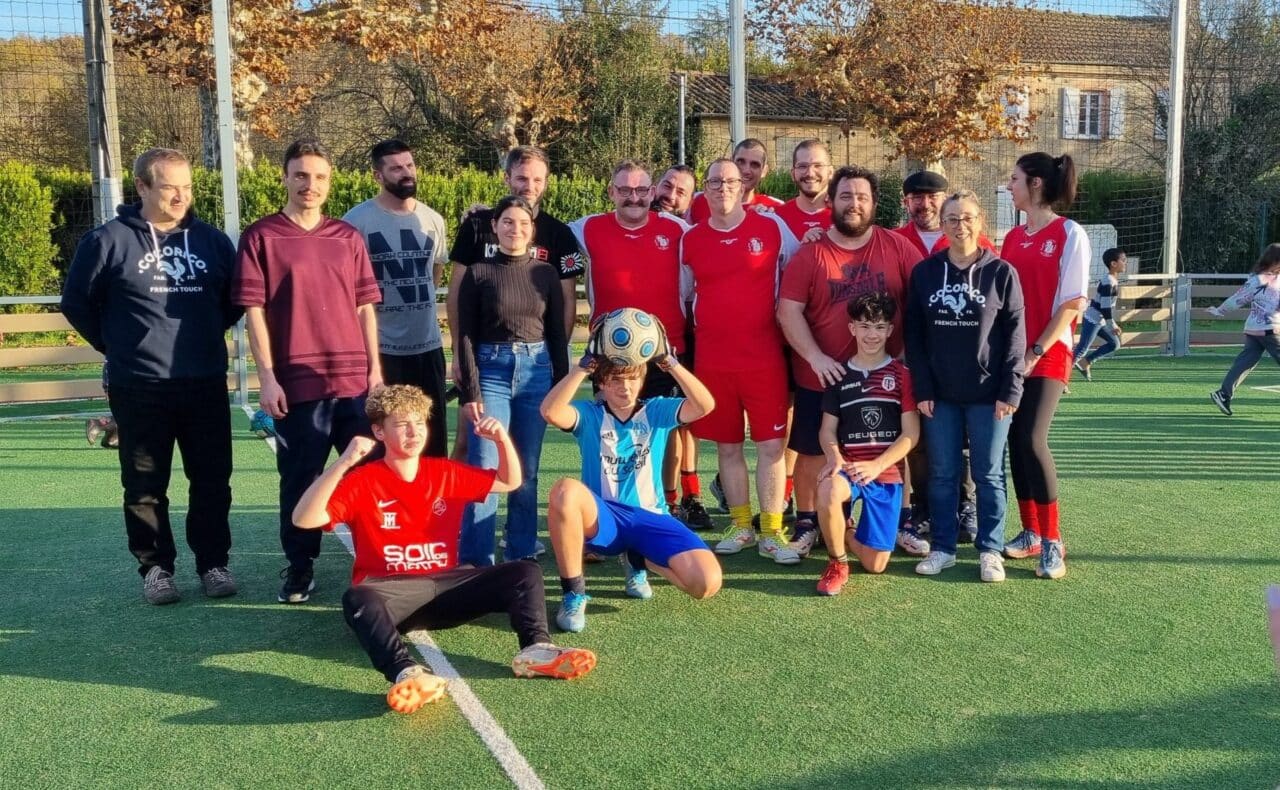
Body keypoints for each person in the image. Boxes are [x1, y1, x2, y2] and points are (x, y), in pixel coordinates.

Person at [291, 385, 595, 715]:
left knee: (525, 571)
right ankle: (407, 674)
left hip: (448, 587)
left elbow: (509, 482)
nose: (413, 431)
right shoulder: (363, 480)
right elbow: (304, 518)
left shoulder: (443, 472)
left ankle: (536, 649)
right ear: (378, 431)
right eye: (401, 424)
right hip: (394, 598)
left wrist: (500, 440)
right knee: (357, 598)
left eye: (419, 423)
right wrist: (345, 461)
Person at [63, 146, 242, 604]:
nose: (181, 196)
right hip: (138, 386)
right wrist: (118, 345)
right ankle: (156, 569)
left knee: (212, 479)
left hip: (203, 381)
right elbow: (77, 303)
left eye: (186, 187)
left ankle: (213, 564)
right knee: (145, 484)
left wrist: (200, 338)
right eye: (169, 187)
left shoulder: (212, 241)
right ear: (142, 186)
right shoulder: (107, 240)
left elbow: (232, 300)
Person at [234, 138, 383, 604]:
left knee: (368, 476)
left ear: (330, 181)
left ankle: (377, 564)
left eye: (319, 176)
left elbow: (364, 308)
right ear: (284, 177)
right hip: (296, 383)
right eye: (301, 175)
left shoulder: (347, 237)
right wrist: (268, 376)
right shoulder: (261, 237)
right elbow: (253, 311)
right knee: (301, 478)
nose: (310, 185)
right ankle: (300, 567)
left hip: (354, 383)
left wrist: (375, 371)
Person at [776, 165, 921, 560]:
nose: (853, 204)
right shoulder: (812, 254)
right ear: (831, 201)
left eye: (862, 197)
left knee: (893, 448)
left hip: (884, 377)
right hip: (823, 374)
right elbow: (788, 311)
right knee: (811, 451)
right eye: (845, 196)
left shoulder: (897, 247)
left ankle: (902, 521)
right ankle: (807, 525)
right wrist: (816, 356)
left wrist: (909, 357)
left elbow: (922, 301)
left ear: (874, 203)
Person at [540, 333, 721, 632]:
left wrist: (670, 363)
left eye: (631, 379)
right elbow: (550, 411)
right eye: (614, 380)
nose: (624, 387)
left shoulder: (656, 410)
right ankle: (574, 593)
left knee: (706, 583)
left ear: (642, 380)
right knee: (564, 490)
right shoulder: (589, 414)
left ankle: (641, 558)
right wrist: (582, 368)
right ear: (601, 384)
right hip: (604, 518)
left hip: (651, 515)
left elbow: (704, 405)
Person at [569, 160, 711, 530]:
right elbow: (539, 231)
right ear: (612, 192)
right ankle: (604, 513)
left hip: (664, 353)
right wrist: (485, 214)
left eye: (642, 190)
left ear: (652, 193)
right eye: (625, 190)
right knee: (608, 437)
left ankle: (665, 505)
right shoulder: (587, 229)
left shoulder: (678, 231)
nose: (634, 197)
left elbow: (715, 246)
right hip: (610, 359)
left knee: (664, 431)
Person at [681, 158, 800, 563]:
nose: (723, 188)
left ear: (743, 185)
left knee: (771, 446)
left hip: (764, 357)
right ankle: (741, 525)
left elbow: (799, 270)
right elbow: (685, 295)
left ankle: (772, 531)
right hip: (713, 360)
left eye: (730, 181)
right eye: (714, 182)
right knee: (728, 447)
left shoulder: (771, 227)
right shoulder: (690, 238)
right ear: (705, 188)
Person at [904, 191, 1026, 582]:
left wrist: (1011, 391)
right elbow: (915, 338)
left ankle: (990, 549)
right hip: (940, 395)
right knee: (942, 472)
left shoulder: (1001, 273)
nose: (961, 226)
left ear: (981, 222)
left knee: (989, 473)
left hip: (989, 394)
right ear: (942, 224)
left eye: (968, 218)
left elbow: (1015, 339)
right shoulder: (925, 273)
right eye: (952, 218)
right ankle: (942, 547)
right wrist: (922, 389)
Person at [446, 145, 583, 461]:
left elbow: (565, 303)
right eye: (522, 178)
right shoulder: (478, 225)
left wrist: (556, 360)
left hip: (534, 360)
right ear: (507, 177)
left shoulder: (559, 234)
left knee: (524, 458)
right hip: (483, 356)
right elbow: (456, 293)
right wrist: (458, 352)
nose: (530, 187)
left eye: (538, 179)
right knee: (472, 447)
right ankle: (455, 511)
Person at [455, 195, 569, 565]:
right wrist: (470, 390)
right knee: (485, 468)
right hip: (491, 373)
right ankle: (476, 560)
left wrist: (561, 383)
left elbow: (555, 332)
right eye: (507, 222)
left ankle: (520, 551)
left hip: (537, 372)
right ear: (495, 226)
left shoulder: (546, 273)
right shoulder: (479, 272)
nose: (515, 229)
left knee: (528, 468)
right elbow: (467, 337)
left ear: (532, 230)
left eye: (522, 223)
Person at [1000, 152, 1090, 580]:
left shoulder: (1070, 233)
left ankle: (1054, 541)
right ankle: (1031, 532)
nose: (1009, 185)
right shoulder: (1014, 238)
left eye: (1014, 179)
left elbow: (1073, 303)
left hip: (1047, 352)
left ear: (1035, 184)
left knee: (1033, 438)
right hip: (1014, 355)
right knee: (1015, 442)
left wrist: (1036, 350)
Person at [343, 139, 450, 457]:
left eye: (409, 165)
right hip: (382, 352)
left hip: (427, 348)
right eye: (396, 168)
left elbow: (436, 274)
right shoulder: (356, 222)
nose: (406, 173)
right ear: (378, 176)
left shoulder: (433, 220)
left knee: (431, 443)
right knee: (381, 444)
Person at [813, 293, 919, 596]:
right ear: (852, 329)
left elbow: (911, 434)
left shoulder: (902, 375)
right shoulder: (839, 376)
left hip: (885, 473)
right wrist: (834, 458)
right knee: (829, 487)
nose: (872, 334)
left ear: (889, 331)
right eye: (864, 326)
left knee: (875, 565)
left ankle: (843, 529)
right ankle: (837, 562)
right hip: (849, 468)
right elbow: (827, 430)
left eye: (879, 327)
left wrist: (877, 465)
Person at [1209, 243, 1280, 415]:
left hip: (1254, 329)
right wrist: (1220, 310)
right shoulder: (1261, 280)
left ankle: (1223, 394)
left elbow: (1238, 298)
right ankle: (1223, 394)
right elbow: (1239, 298)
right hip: (1270, 329)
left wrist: (1220, 310)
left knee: (1245, 362)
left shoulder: (1256, 278)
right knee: (1245, 362)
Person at [893, 170, 995, 258]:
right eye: (917, 197)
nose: (926, 205)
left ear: (944, 200)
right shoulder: (893, 241)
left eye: (933, 196)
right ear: (906, 203)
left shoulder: (974, 240)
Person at [687, 138, 785, 224]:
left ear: (764, 171)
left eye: (755, 164)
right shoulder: (697, 201)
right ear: (731, 162)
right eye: (740, 162)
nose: (746, 170)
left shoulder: (775, 208)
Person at [1073, 247, 1127, 382]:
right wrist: (1112, 325)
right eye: (1123, 260)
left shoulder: (1112, 280)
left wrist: (1110, 323)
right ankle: (1060, 379)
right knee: (1081, 349)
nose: (1125, 263)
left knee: (1114, 344)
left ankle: (1086, 362)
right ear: (1113, 264)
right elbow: (1105, 307)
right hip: (1093, 319)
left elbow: (1106, 308)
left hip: (1101, 321)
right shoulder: (1108, 282)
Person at [774, 139, 833, 241]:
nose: (810, 173)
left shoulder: (844, 216)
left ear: (830, 172)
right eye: (802, 166)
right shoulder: (777, 218)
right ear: (793, 174)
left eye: (818, 166)